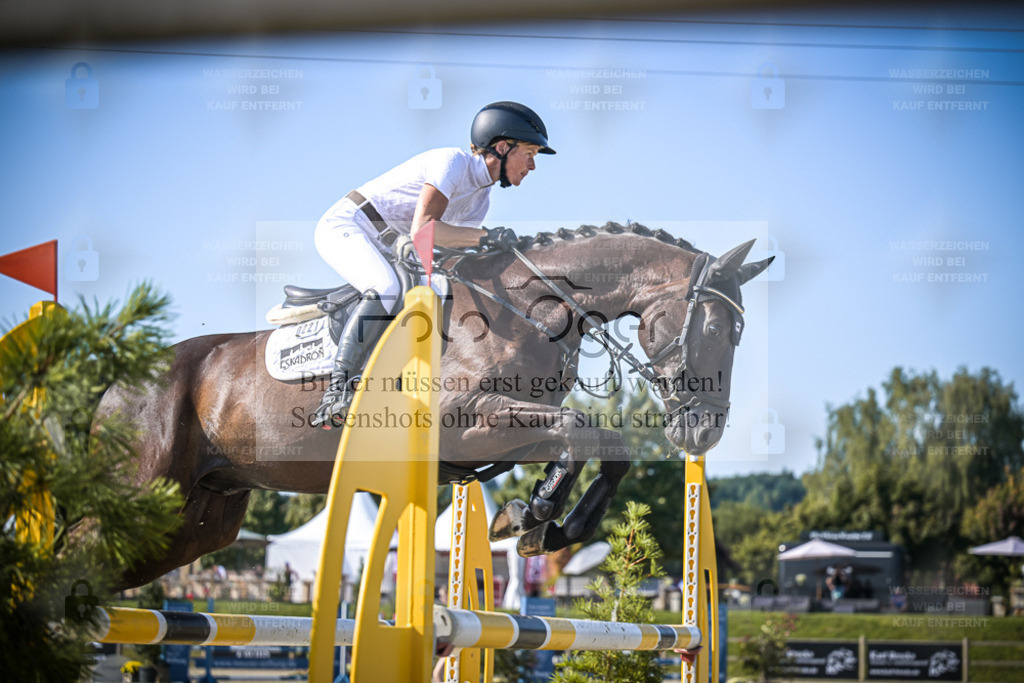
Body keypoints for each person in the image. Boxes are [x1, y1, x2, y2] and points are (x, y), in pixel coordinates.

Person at [311, 101, 556, 428]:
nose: (533, 165)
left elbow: (442, 257)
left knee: (437, 295)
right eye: (530, 153)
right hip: (349, 225)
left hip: (393, 246)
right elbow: (424, 230)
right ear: (501, 147)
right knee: (385, 287)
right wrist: (487, 236)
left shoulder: (480, 200)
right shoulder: (452, 163)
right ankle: (337, 392)